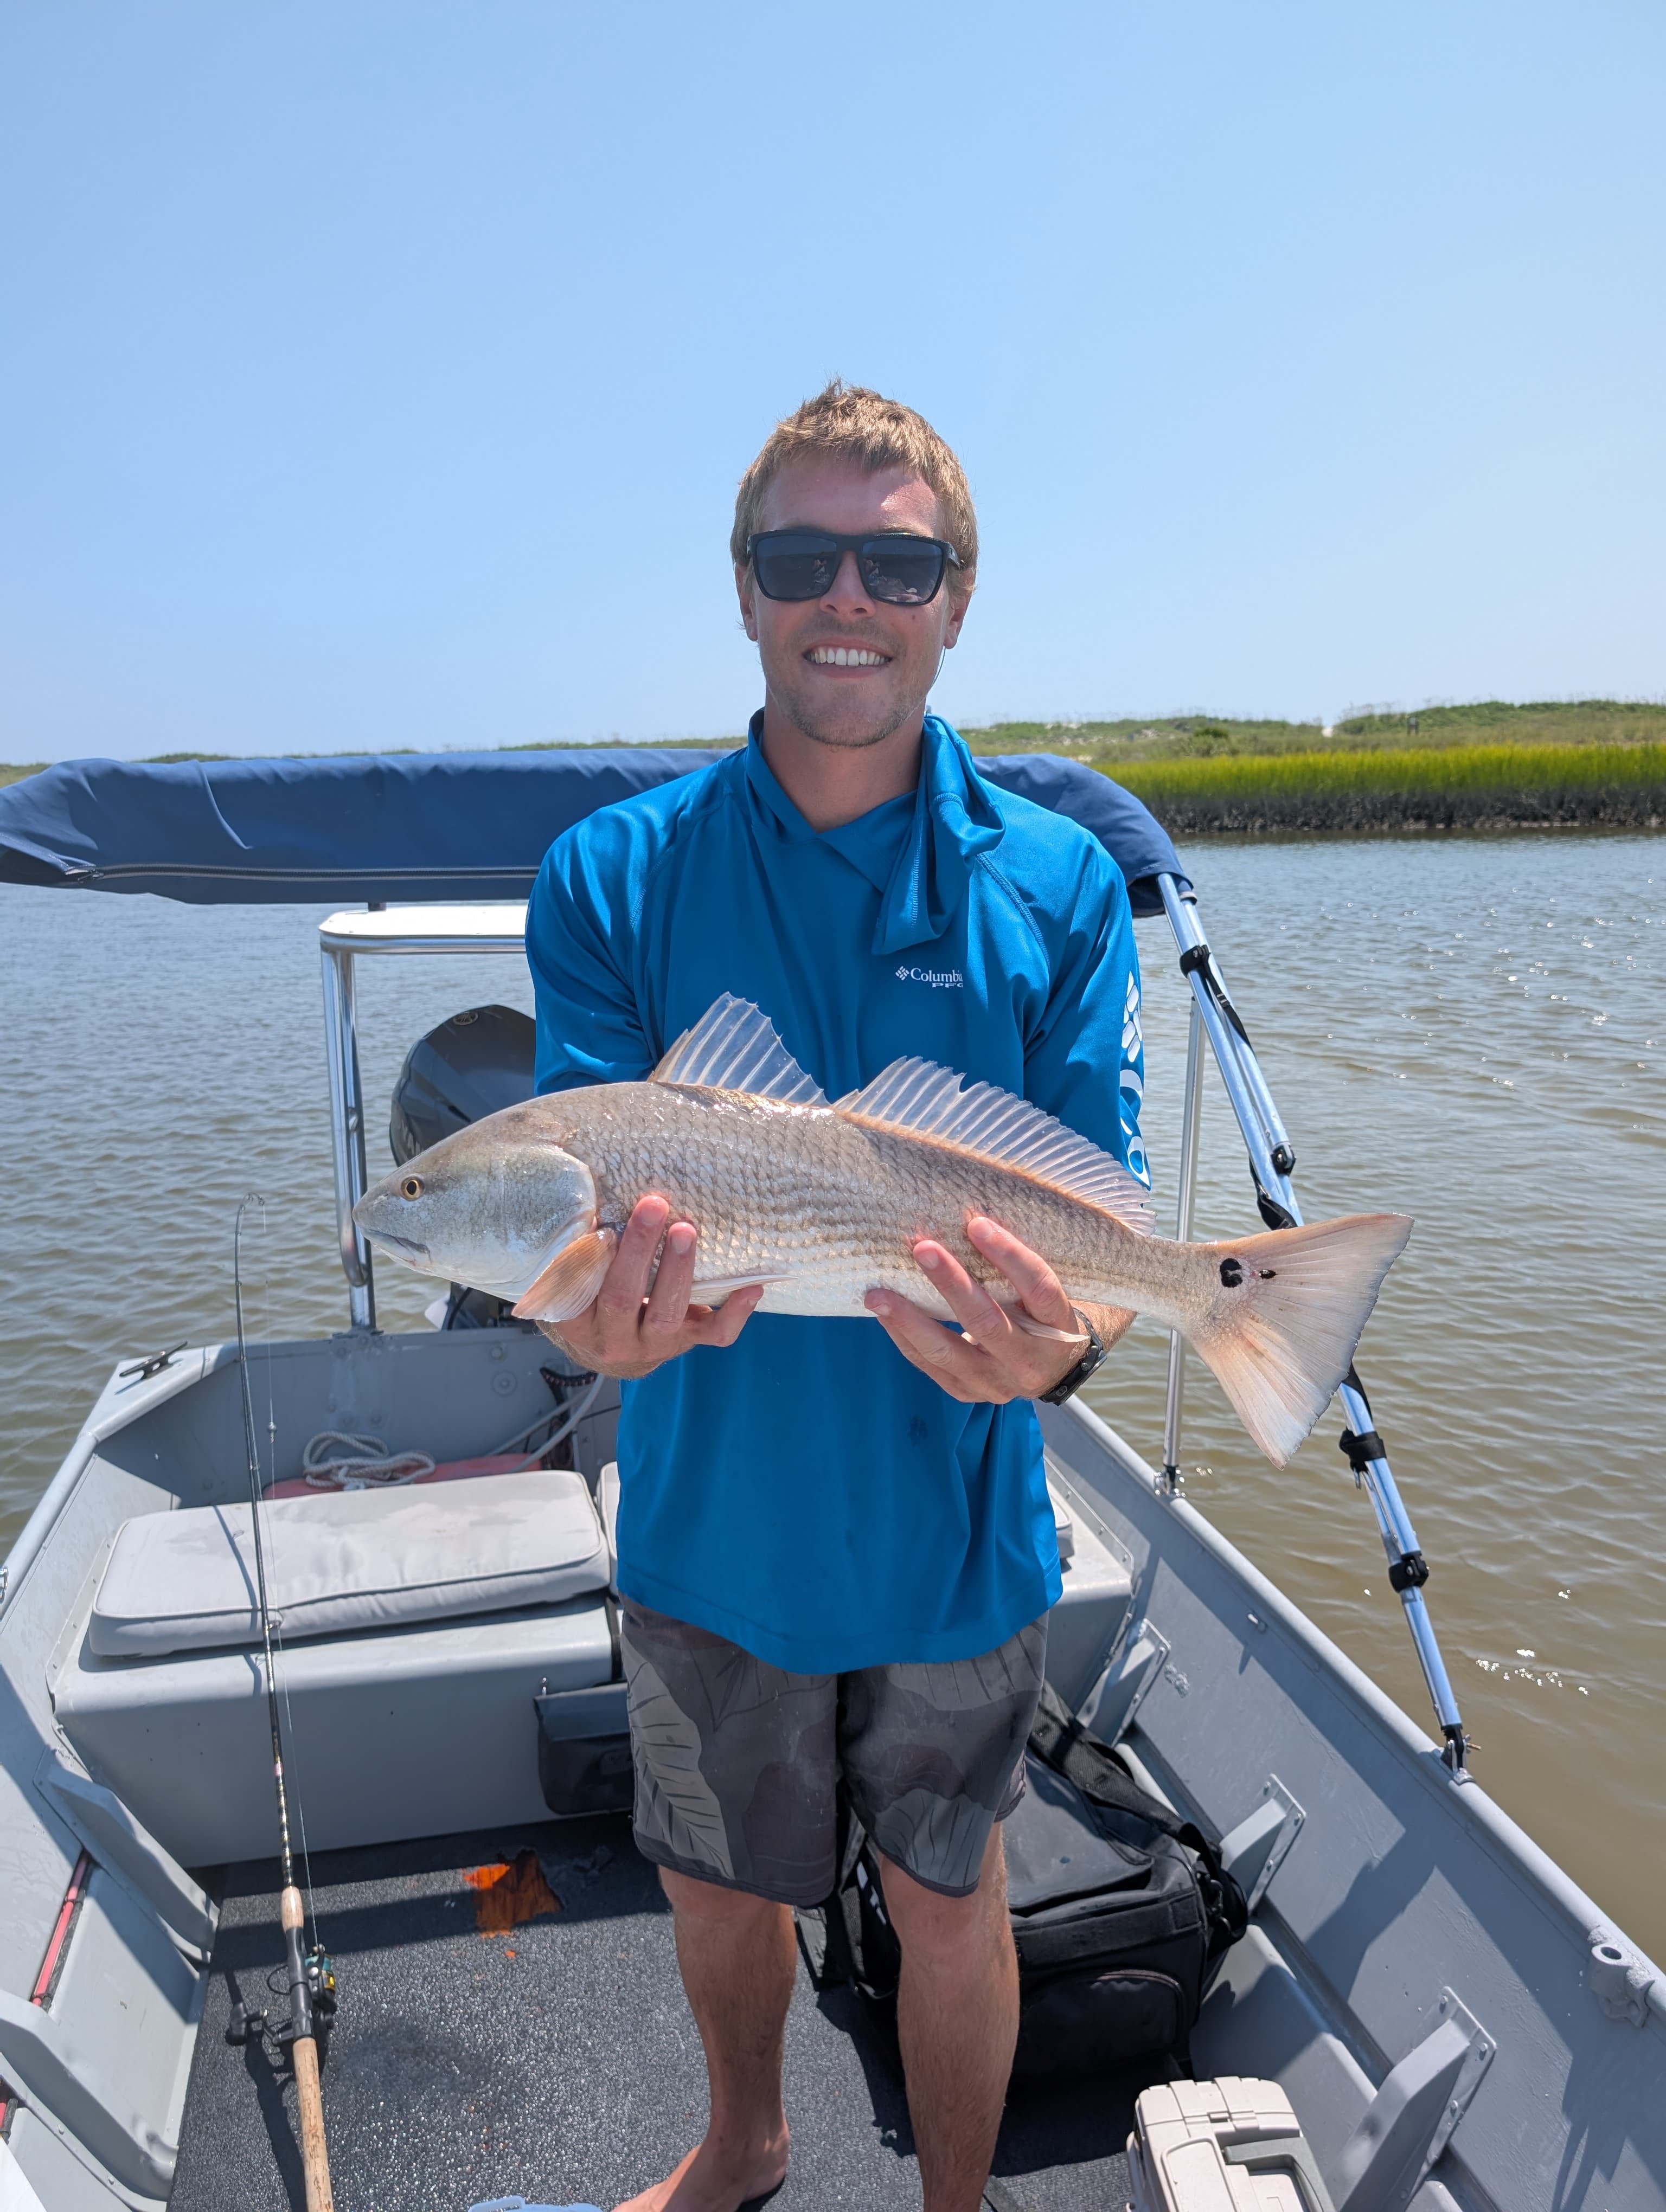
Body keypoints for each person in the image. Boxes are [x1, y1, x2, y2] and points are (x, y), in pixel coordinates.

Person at [526, 381, 1148, 2212]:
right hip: (713, 1530)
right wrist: (584, 1325)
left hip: (960, 1536)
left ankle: (956, 2208)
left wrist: (1081, 1339)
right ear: (744, 591)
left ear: (959, 597)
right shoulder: (613, 875)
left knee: (954, 1897)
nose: (848, 596)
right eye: (804, 557)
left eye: (898, 559)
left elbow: (1093, 1236)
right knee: (717, 1884)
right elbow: (579, 1240)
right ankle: (745, 2143)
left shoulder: (1059, 888)